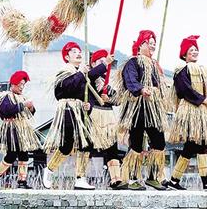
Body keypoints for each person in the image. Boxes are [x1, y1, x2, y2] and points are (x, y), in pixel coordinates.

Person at [42, 42, 111, 190]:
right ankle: (49, 169)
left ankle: (80, 178)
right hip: (68, 109)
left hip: (80, 111)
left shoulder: (81, 72)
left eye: (79, 51)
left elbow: (88, 89)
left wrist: (89, 105)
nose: (78, 53)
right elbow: (67, 87)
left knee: (86, 142)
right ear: (67, 57)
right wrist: (82, 73)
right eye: (74, 52)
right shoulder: (64, 71)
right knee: (67, 145)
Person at [116, 30, 169, 191]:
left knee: (159, 142)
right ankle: (133, 179)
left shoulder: (155, 65)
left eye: (154, 43)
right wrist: (140, 89)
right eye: (149, 42)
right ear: (140, 45)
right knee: (136, 143)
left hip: (153, 107)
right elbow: (130, 79)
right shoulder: (133, 62)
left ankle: (152, 177)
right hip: (137, 106)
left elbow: (160, 85)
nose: (153, 45)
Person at [166, 35, 207, 191]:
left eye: (196, 49)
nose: (194, 52)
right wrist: (203, 100)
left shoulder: (204, 70)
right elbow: (184, 90)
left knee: (198, 145)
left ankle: (181, 180)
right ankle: (199, 181)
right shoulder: (181, 70)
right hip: (190, 110)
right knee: (194, 144)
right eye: (191, 50)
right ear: (184, 54)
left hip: (201, 112)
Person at [0, 70, 40, 190]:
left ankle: (22, 181)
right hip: (10, 128)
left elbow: (29, 114)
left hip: (23, 128)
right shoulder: (5, 96)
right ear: (13, 84)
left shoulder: (23, 97)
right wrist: (23, 105)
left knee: (24, 154)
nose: (22, 87)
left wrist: (31, 108)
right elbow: (6, 111)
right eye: (19, 84)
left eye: (23, 84)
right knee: (11, 155)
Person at [86, 49, 126, 190]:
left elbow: (118, 100)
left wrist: (109, 99)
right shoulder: (88, 76)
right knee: (88, 147)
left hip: (108, 117)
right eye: (100, 61)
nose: (105, 63)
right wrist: (104, 64)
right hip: (94, 116)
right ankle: (80, 177)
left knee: (112, 147)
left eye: (105, 61)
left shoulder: (107, 81)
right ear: (93, 63)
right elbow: (91, 75)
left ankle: (116, 179)